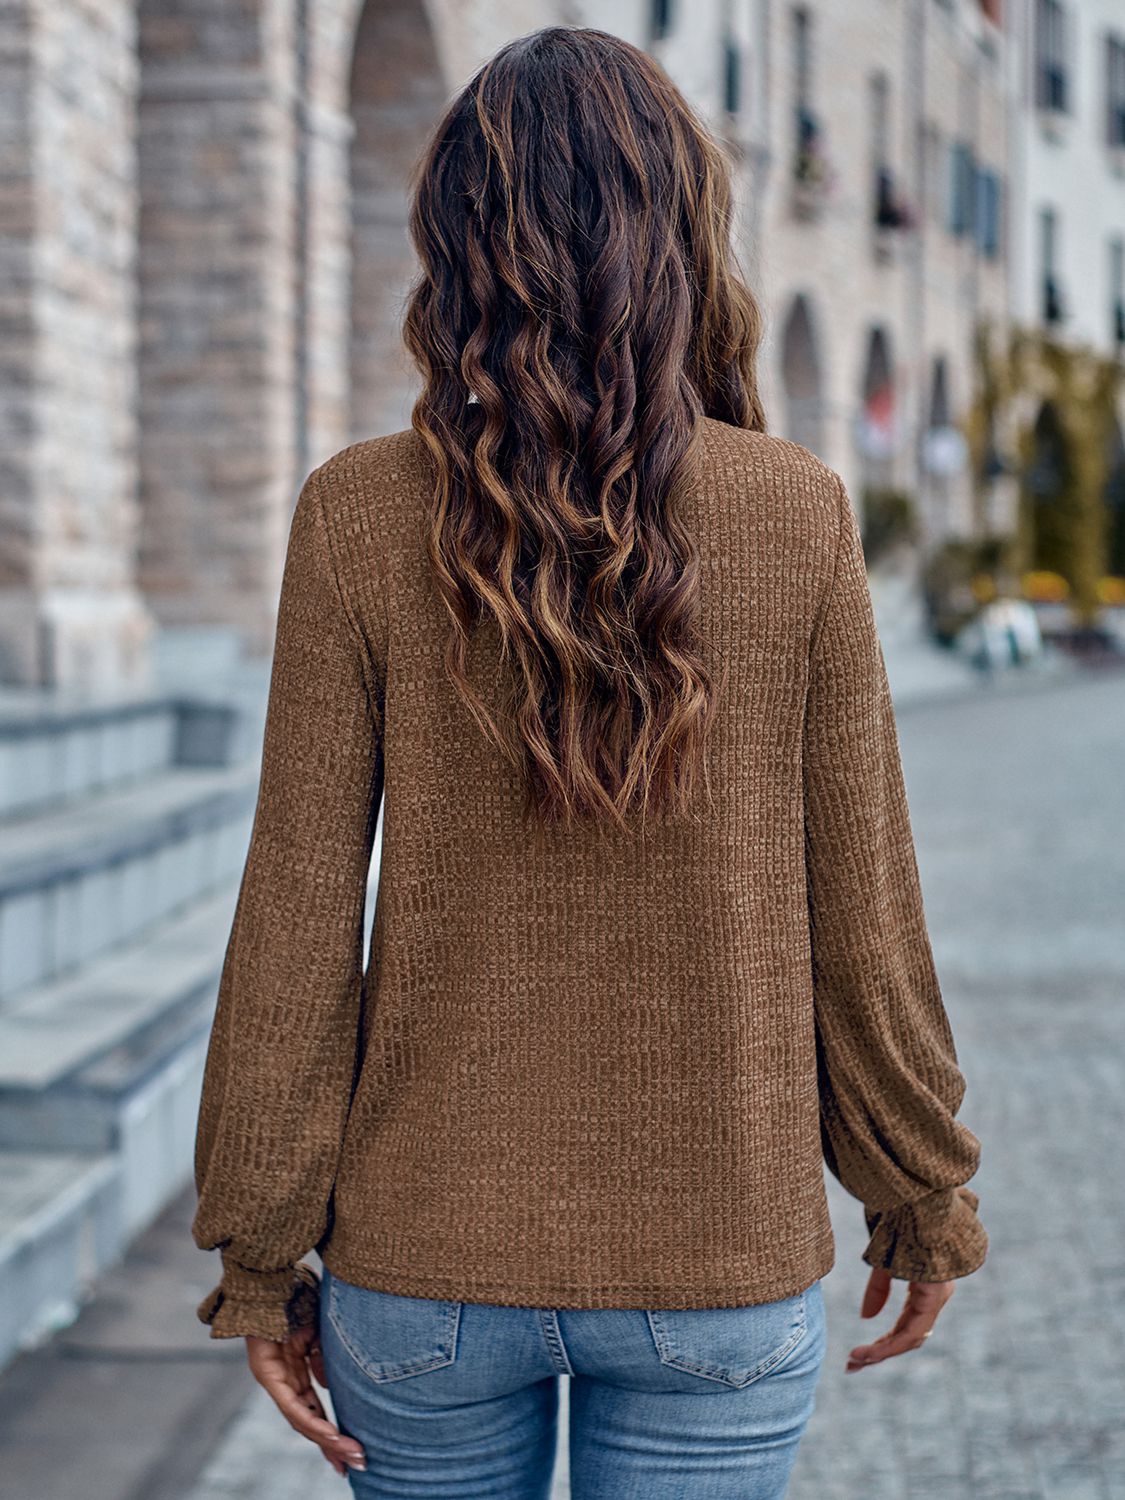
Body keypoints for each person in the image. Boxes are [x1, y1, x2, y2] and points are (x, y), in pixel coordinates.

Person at [190, 25, 987, 1499]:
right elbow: (863, 918)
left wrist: (257, 1252)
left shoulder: (357, 516)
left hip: (421, 1273)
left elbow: (294, 917)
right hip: (718, 1267)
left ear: (456, 239)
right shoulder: (794, 514)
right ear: (681, 230)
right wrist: (916, 1190)